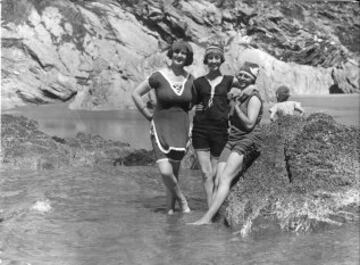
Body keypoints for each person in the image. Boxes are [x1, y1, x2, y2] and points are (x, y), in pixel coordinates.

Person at [189, 61, 263, 225]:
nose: (242, 78)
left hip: (248, 139)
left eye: (247, 76)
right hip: (232, 138)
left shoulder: (254, 98)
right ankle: (217, 216)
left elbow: (250, 124)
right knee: (217, 180)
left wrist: (235, 106)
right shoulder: (239, 93)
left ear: (253, 79)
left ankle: (206, 218)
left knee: (225, 178)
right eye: (241, 75)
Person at [132, 40, 194, 215]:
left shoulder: (191, 80)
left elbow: (194, 107)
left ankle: (170, 212)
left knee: (174, 173)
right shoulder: (158, 76)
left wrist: (191, 129)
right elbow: (135, 93)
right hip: (159, 127)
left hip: (181, 129)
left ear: (187, 58)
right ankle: (182, 201)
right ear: (171, 55)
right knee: (166, 172)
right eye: (176, 52)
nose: (180, 55)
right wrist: (147, 114)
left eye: (184, 53)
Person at [191, 40, 238, 208]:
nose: (213, 61)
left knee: (217, 174)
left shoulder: (230, 81)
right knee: (205, 173)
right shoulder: (198, 82)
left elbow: (247, 89)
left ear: (221, 60)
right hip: (200, 130)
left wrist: (239, 93)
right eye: (210, 57)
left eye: (217, 57)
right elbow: (193, 104)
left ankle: (216, 207)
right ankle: (210, 208)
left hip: (220, 130)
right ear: (206, 60)